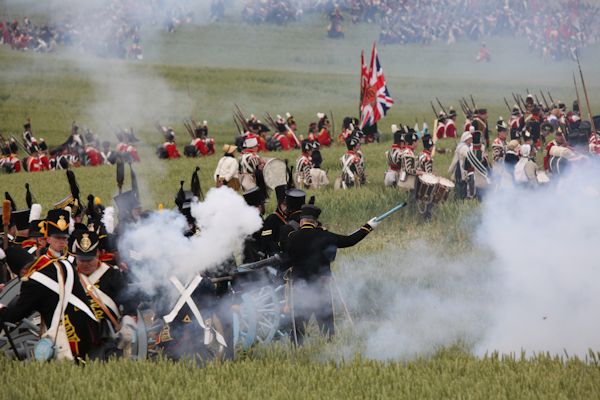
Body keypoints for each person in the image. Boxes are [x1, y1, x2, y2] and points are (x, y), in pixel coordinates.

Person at [0, 209, 100, 361]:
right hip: (85, 332)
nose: (62, 242)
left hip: (65, 338)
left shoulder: (37, 277)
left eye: (64, 238)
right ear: (47, 238)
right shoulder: (67, 266)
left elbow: (17, 315)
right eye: (58, 238)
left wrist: (2, 310)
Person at [285, 204, 378, 341]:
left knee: (298, 322)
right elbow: (350, 240)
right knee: (326, 323)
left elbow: (286, 258)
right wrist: (368, 226)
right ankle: (329, 345)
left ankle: (296, 348)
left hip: (300, 286)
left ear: (301, 221)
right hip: (320, 286)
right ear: (315, 222)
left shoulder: (292, 237)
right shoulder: (325, 236)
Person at [70, 230, 136, 358]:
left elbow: (128, 300)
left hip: (106, 333)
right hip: (76, 334)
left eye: (89, 259)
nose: (86, 264)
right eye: (82, 260)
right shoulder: (70, 276)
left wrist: (128, 321)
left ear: (98, 254)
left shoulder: (112, 274)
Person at [448, 130, 473, 200]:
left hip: (459, 169)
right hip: (462, 170)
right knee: (461, 187)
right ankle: (459, 200)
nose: (471, 140)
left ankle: (458, 199)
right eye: (470, 139)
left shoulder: (460, 146)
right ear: (466, 139)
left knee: (459, 186)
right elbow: (470, 157)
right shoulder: (465, 148)